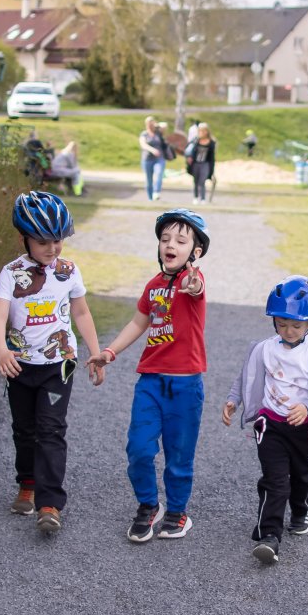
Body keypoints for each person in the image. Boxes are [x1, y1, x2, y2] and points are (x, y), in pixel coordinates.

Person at [91, 209, 211, 543]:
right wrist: (109, 352)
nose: (170, 245)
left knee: (179, 454)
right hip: (150, 382)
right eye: (165, 239)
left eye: (181, 241)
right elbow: (138, 323)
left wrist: (192, 282)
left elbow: (195, 287)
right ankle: (148, 505)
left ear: (196, 252)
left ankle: (177, 511)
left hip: (185, 384)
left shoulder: (193, 282)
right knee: (139, 449)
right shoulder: (153, 286)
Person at [0, 191, 105, 535]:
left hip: (58, 367)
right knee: (24, 430)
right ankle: (27, 483)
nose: (52, 248)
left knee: (51, 430)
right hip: (20, 367)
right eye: (43, 242)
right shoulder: (11, 273)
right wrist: (1, 351)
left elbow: (81, 313)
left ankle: (50, 503)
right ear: (23, 239)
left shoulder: (69, 271)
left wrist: (95, 351)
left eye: (58, 240)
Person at [223, 276, 308, 564]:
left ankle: (301, 509)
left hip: (304, 427)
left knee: (302, 477)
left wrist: (307, 406)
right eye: (282, 323)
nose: (288, 331)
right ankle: (269, 537)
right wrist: (233, 400)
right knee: (274, 481)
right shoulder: (264, 349)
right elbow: (245, 377)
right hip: (270, 425)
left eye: (296, 325)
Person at [186, 123, 217, 202]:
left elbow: (212, 157)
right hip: (195, 163)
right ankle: (196, 197)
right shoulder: (195, 140)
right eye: (200, 131)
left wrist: (212, 169)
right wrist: (189, 158)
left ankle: (203, 198)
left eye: (203, 131)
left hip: (205, 163)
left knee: (202, 181)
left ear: (207, 131)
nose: (202, 132)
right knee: (196, 181)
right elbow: (188, 150)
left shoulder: (211, 142)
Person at [138, 117, 167, 201]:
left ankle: (156, 192)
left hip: (159, 158)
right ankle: (150, 198)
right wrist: (152, 150)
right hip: (147, 159)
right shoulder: (144, 134)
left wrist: (156, 125)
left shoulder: (158, 133)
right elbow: (143, 145)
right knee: (149, 180)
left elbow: (165, 125)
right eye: (149, 124)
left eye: (152, 123)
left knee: (159, 174)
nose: (150, 125)